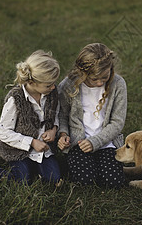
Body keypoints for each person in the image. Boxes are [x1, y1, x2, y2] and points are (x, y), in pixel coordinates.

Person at [57, 43, 127, 188]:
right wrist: (63, 133)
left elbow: (117, 122)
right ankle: (69, 164)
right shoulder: (68, 85)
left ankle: (98, 164)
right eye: (94, 79)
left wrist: (95, 142)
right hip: (79, 143)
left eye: (105, 77)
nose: (100, 82)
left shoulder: (118, 84)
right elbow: (62, 115)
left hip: (106, 141)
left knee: (114, 182)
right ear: (83, 74)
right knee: (85, 180)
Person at [0, 50, 62, 185]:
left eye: (54, 83)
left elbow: (55, 114)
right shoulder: (16, 99)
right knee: (22, 180)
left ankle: (37, 169)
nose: (53, 87)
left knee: (53, 180)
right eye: (48, 85)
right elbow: (3, 131)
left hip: (44, 150)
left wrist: (54, 129)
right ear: (31, 82)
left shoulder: (52, 93)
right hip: (19, 151)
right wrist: (31, 142)